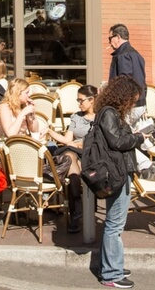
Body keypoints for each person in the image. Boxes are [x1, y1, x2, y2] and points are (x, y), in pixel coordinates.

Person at [94, 75, 151, 289]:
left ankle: (111, 265)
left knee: (114, 222)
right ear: (124, 97)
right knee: (115, 224)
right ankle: (112, 273)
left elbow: (115, 139)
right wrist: (138, 138)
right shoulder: (109, 113)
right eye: (133, 99)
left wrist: (133, 134)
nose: (134, 103)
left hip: (117, 171)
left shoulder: (109, 112)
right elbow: (117, 142)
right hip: (116, 172)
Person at [47, 84, 99, 233]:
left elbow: (100, 140)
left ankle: (76, 213)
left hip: (91, 154)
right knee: (69, 157)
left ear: (92, 100)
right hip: (74, 152)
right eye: (78, 100)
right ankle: (76, 207)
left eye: (81, 100)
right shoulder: (76, 116)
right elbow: (67, 139)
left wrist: (82, 143)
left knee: (71, 162)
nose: (79, 103)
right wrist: (50, 131)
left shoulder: (101, 116)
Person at [108, 23, 147, 121]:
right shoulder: (137, 55)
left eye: (110, 38)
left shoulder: (123, 55)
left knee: (122, 135)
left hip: (129, 107)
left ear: (117, 37)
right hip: (139, 104)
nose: (109, 43)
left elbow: (124, 83)